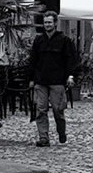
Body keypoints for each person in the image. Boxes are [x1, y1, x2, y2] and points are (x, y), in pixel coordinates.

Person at [29, 11, 80, 147]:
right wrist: (31, 78)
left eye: (49, 22)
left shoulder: (64, 40)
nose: (47, 25)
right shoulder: (39, 40)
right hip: (41, 81)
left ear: (55, 23)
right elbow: (33, 61)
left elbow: (71, 60)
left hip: (57, 81)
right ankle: (43, 137)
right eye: (45, 22)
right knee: (41, 110)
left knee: (58, 110)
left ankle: (61, 132)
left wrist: (71, 76)